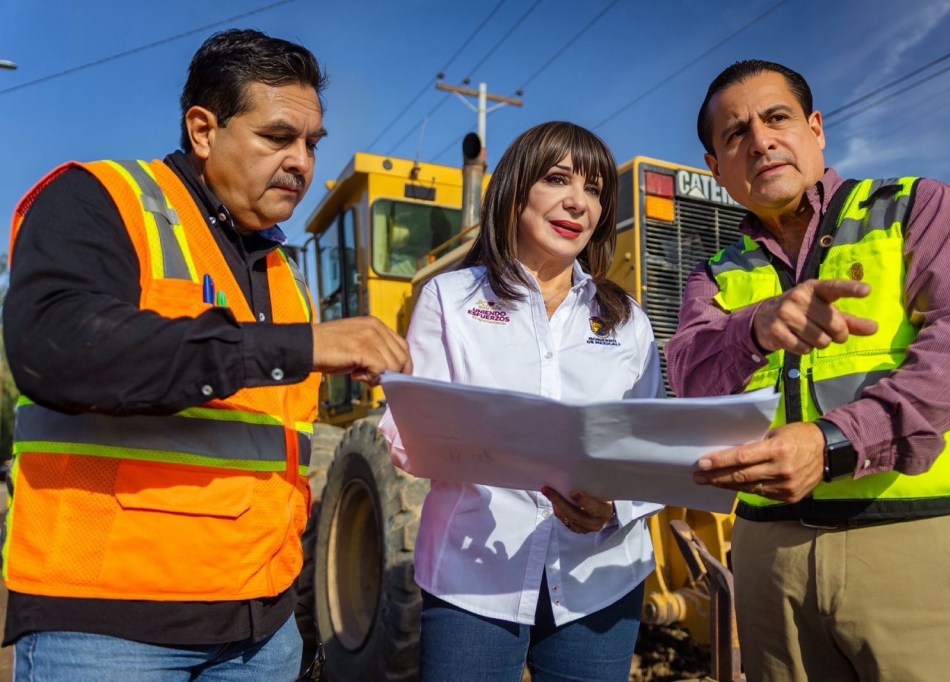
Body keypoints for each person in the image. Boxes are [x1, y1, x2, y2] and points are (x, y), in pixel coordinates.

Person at [2, 28, 410, 681]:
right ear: (202, 129)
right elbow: (56, 350)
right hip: (109, 629)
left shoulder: (285, 279)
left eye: (311, 144)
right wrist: (298, 346)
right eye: (279, 137)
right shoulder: (104, 200)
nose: (302, 161)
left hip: (261, 632)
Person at [665, 59, 950, 680]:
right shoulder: (712, 275)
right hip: (769, 558)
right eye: (735, 134)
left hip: (920, 540)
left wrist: (835, 443)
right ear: (717, 169)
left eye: (777, 118)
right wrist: (752, 327)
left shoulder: (918, 210)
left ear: (816, 129)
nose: (761, 141)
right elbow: (689, 382)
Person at [379, 121, 664, 681]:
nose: (578, 203)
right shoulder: (450, 298)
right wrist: (425, 440)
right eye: (558, 179)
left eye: (595, 190)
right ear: (514, 191)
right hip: (472, 576)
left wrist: (616, 507)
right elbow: (404, 427)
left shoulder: (628, 318)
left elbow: (649, 444)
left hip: (601, 576)